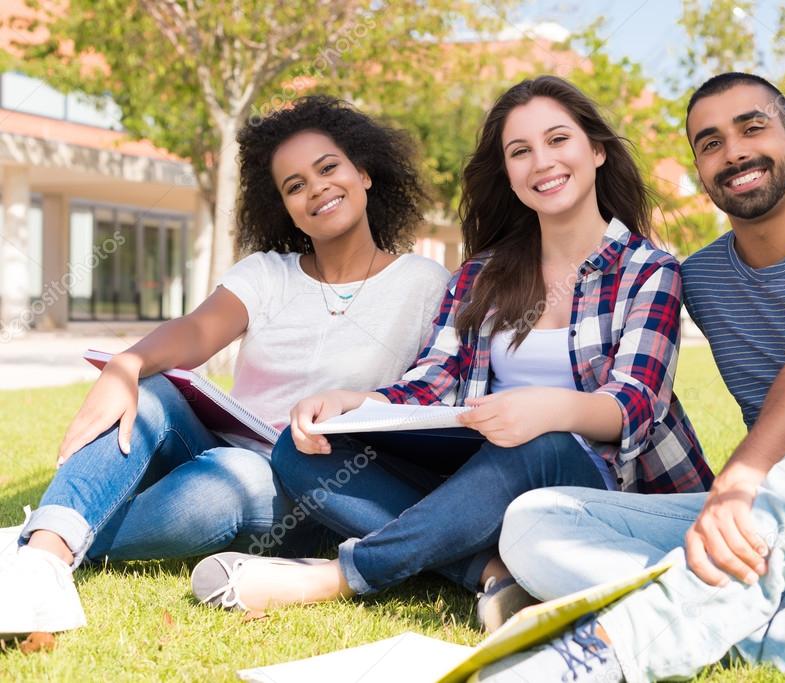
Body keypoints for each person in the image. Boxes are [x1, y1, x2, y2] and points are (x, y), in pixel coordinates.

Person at [476, 72, 785, 682]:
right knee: (536, 518)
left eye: (753, 127)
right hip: (776, 549)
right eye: (710, 143)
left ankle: (624, 644)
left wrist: (739, 479)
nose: (734, 151)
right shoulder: (704, 279)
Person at [189, 75, 714, 631]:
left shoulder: (647, 270)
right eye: (520, 151)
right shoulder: (481, 275)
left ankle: (335, 578)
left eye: (558, 141)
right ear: (509, 175)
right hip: (484, 473)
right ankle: (489, 570)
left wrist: (547, 409)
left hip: (596, 480)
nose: (542, 162)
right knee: (303, 452)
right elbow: (433, 383)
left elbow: (634, 404)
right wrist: (354, 402)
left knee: (538, 444)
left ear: (597, 151)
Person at [0, 95, 451, 639]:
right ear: (282, 206)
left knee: (236, 477)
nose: (317, 189)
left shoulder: (426, 283)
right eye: (295, 185)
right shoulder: (267, 273)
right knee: (154, 389)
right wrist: (126, 364)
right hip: (223, 440)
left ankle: (35, 537)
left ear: (364, 173)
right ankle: (43, 559)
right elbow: (196, 331)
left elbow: (431, 393)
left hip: (313, 482)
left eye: (328, 168)